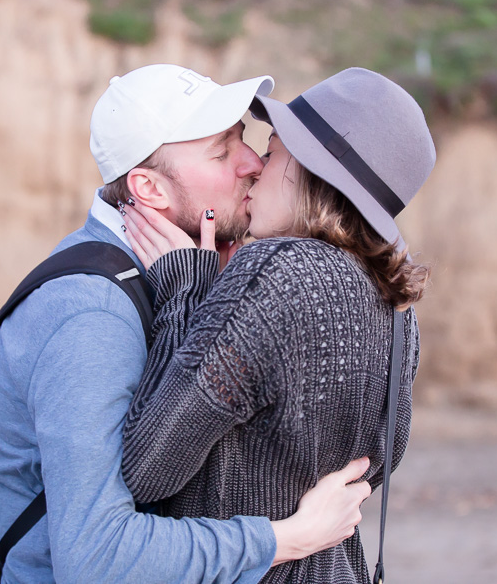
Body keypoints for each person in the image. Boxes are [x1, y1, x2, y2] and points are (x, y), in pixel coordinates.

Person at [0, 64, 375, 583]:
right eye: (221, 150)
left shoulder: (179, 273)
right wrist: (287, 537)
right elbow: (97, 558)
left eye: (245, 139)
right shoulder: (90, 315)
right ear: (149, 188)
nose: (253, 163)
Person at [120, 67, 436, 583]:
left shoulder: (274, 273)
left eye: (273, 152)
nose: (256, 168)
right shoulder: (400, 313)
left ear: (313, 172)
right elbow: (375, 466)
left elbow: (146, 467)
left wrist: (186, 293)